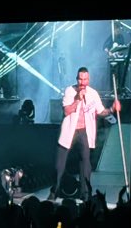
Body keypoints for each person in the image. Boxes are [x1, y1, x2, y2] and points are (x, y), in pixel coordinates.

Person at [49, 67, 121, 201]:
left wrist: (112, 109)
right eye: (80, 79)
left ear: (89, 79)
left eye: (85, 79)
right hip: (69, 132)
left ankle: (85, 194)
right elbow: (67, 111)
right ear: (77, 79)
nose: (82, 82)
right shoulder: (69, 91)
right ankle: (54, 192)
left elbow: (101, 112)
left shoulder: (93, 94)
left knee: (86, 164)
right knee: (59, 165)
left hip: (84, 132)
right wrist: (77, 99)